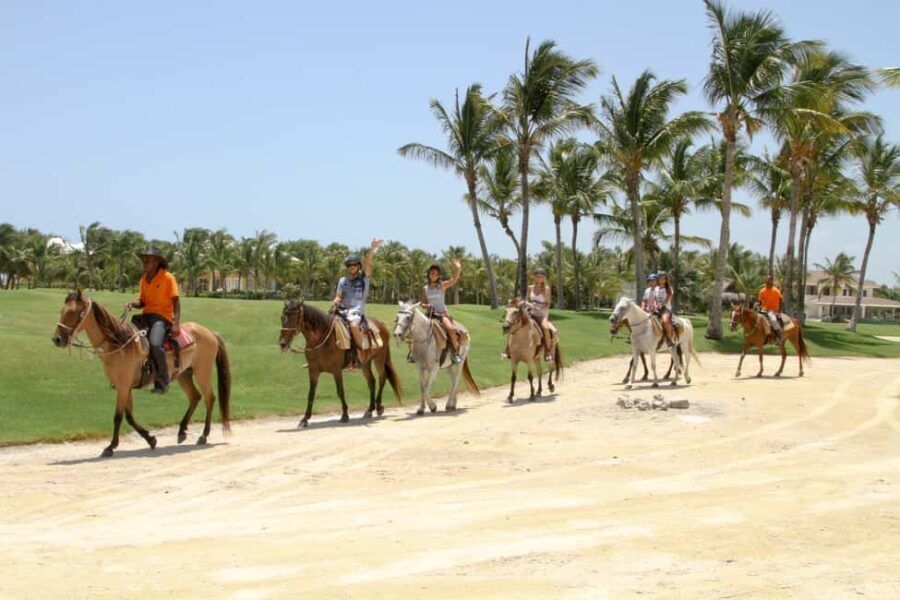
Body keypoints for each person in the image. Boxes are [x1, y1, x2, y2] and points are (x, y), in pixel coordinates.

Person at [126, 247, 180, 394]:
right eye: (144, 259)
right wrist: (132, 304)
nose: (145, 261)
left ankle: (163, 383)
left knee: (155, 345)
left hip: (162, 317)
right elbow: (142, 302)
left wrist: (176, 323)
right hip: (146, 316)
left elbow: (176, 300)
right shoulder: (144, 279)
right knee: (127, 338)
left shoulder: (168, 278)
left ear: (157, 262)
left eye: (148, 259)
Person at [330, 238, 383, 367]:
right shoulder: (343, 281)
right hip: (341, 310)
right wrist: (335, 302)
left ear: (358, 266)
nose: (352, 267)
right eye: (349, 265)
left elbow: (368, 264)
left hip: (355, 312)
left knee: (353, 326)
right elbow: (338, 296)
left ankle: (360, 354)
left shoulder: (364, 279)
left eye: (354, 265)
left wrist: (372, 249)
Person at [420, 258, 463, 364]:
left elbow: (454, 280)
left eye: (435, 273)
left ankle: (455, 353)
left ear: (438, 275)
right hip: (429, 314)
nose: (432, 275)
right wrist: (426, 305)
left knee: (451, 329)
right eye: (431, 273)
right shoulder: (425, 288)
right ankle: (413, 353)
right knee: (413, 327)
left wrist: (458, 268)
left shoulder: (442, 286)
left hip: (441, 314)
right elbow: (422, 303)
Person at [528, 267, 555, 362]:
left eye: (541, 277)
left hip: (542, 313)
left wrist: (540, 308)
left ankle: (547, 351)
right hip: (531, 312)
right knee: (516, 322)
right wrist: (530, 305)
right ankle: (509, 349)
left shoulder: (546, 289)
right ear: (534, 277)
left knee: (545, 327)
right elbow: (527, 300)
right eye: (537, 276)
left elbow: (548, 304)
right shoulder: (530, 287)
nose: (539, 278)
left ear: (544, 278)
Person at [757, 274, 784, 344]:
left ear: (771, 281)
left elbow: (781, 300)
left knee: (773, 320)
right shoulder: (762, 291)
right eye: (766, 279)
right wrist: (758, 304)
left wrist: (779, 311)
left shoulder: (776, 290)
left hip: (773, 311)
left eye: (769, 280)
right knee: (756, 319)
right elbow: (759, 301)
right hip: (764, 310)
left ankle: (779, 337)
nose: (767, 281)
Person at [655, 271, 676, 347]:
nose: (662, 280)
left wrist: (663, 305)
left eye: (663, 279)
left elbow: (668, 297)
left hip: (666, 309)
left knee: (664, 321)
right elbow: (655, 299)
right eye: (660, 278)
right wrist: (655, 306)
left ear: (666, 280)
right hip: (657, 309)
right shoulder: (656, 289)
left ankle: (670, 339)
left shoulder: (669, 288)